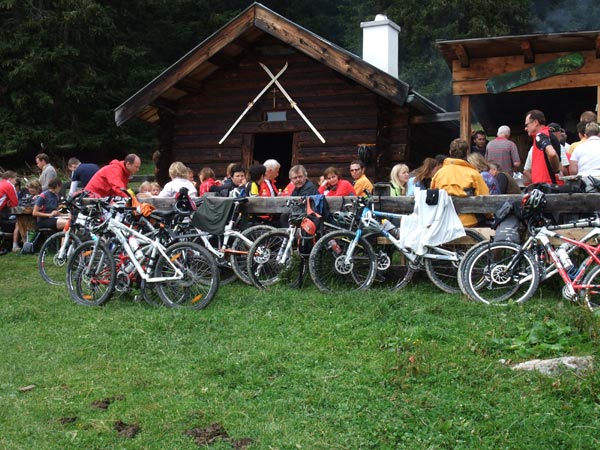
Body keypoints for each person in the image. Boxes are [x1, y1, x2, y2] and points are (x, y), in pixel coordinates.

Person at [431, 138, 490, 227]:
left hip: (445, 222)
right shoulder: (474, 174)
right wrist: (490, 216)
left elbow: (433, 197)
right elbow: (485, 201)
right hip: (469, 224)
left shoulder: (439, 174)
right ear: (466, 153)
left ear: (450, 152)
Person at [523, 109, 561, 185]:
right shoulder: (548, 135)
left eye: (527, 125)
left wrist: (556, 170)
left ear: (535, 122)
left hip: (547, 186)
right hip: (547, 185)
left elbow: (552, 154)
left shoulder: (540, 136)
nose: (525, 128)